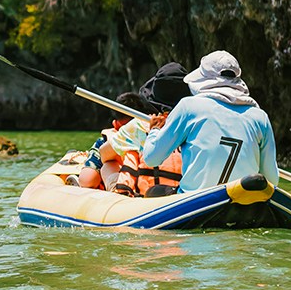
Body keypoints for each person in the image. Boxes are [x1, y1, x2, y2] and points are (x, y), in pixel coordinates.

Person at [139, 50, 278, 195]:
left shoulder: (188, 106)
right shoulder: (260, 117)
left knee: (153, 192)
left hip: (194, 201)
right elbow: (272, 180)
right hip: (244, 203)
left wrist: (155, 130)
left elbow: (152, 158)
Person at [72, 64, 189, 193]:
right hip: (186, 192)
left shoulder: (139, 125)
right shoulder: (197, 124)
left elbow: (104, 154)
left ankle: (118, 192)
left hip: (148, 194)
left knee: (108, 164)